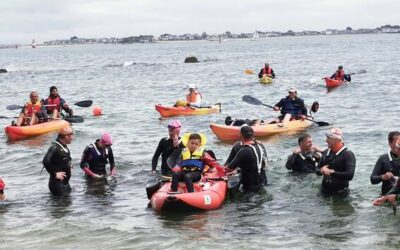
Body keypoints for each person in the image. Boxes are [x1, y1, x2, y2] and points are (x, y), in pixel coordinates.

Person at [225, 125, 268, 192]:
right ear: (253, 134)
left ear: (241, 135)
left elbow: (229, 168)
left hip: (249, 186)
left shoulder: (243, 150)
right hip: (263, 182)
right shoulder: (260, 145)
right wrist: (238, 170)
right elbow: (263, 163)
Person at [316, 128, 356, 195]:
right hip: (324, 191)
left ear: (337, 140)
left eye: (329, 138)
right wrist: (321, 170)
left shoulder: (348, 154)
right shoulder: (326, 152)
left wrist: (331, 172)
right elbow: (317, 169)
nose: (326, 140)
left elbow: (350, 175)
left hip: (341, 193)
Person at [42, 127, 74, 196]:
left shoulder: (63, 146)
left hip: (65, 183)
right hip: (57, 185)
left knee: (67, 204)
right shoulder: (55, 147)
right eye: (72, 135)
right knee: (61, 205)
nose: (73, 137)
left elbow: (66, 158)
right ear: (66, 136)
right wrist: (55, 174)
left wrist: (69, 165)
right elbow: (45, 161)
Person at [370, 131, 400, 195]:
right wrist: (383, 177)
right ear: (390, 143)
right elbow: (372, 179)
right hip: (387, 196)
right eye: (396, 142)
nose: (398, 145)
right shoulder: (383, 159)